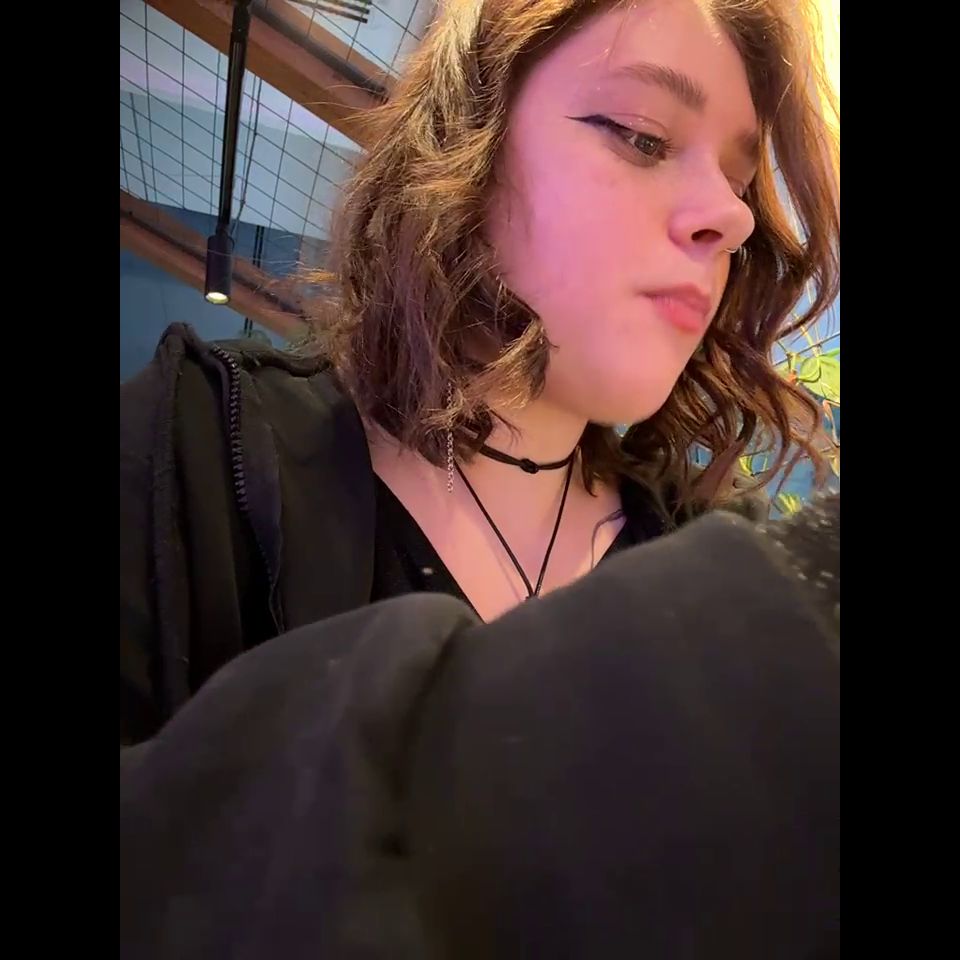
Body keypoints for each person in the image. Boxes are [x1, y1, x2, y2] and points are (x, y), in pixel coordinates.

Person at [120, 0, 840, 954]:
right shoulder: (202, 446)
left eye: (741, 181)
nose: (732, 215)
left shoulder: (704, 550)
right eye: (642, 135)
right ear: (467, 141)